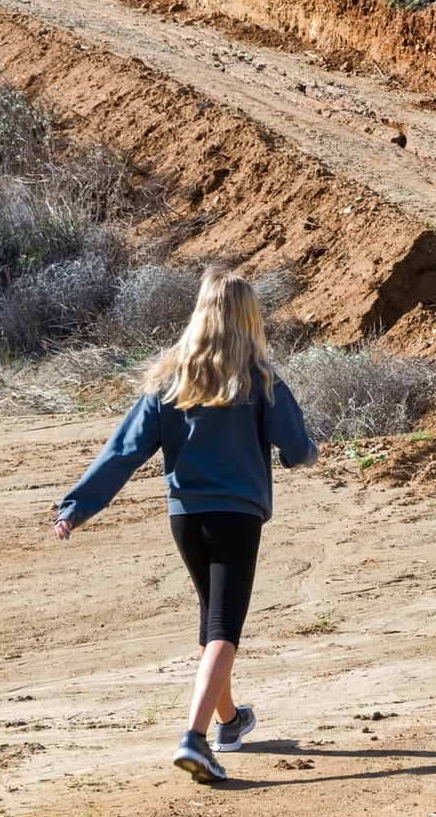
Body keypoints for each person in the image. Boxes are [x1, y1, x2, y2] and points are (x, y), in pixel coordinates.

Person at [53, 268, 318, 784]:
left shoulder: (170, 381)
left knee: (209, 624)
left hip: (185, 519)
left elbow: (123, 452)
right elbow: (297, 446)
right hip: (236, 516)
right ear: (249, 319)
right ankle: (194, 740)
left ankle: (229, 722)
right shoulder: (259, 379)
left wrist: (76, 507)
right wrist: (303, 455)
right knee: (224, 629)